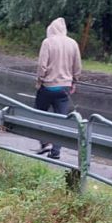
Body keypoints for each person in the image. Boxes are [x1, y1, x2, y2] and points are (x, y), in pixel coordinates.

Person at [34, 17, 81, 159]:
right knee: (61, 120)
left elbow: (42, 65)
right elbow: (77, 65)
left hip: (48, 86)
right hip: (64, 88)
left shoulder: (47, 42)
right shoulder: (73, 43)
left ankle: (44, 142)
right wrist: (74, 81)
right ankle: (55, 152)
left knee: (38, 114)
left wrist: (39, 80)